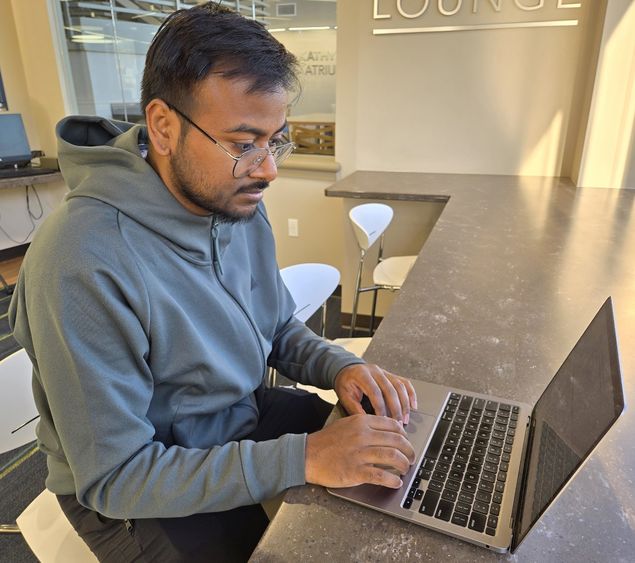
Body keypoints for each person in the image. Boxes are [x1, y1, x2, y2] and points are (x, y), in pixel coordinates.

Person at [9, 4, 417, 562]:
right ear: (164, 127)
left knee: (392, 451)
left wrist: (338, 366)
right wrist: (302, 458)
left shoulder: (232, 202)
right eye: (243, 143)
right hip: (134, 490)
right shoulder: (80, 259)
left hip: (232, 418)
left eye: (275, 140)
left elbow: (273, 327)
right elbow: (115, 476)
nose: (268, 169)